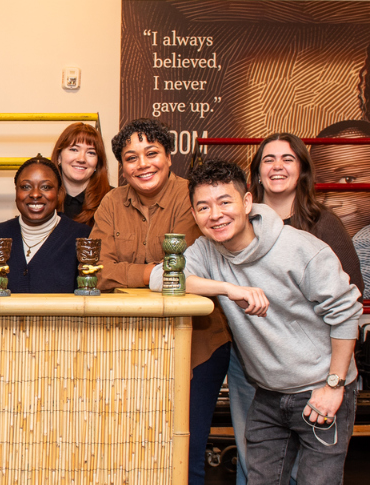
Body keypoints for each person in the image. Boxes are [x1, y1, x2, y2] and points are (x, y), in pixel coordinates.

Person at [151, 159, 361, 485]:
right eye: (203, 207)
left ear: (247, 203)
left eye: (225, 202)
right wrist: (226, 289)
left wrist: (333, 386)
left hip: (320, 389)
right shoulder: (207, 251)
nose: (215, 214)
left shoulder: (301, 249)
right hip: (267, 394)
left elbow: (347, 313)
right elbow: (160, 278)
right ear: (194, 215)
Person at [88, 118, 230, 485]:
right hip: (132, 345)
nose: (143, 164)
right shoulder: (111, 202)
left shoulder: (195, 197)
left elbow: (191, 272)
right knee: (135, 447)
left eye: (151, 153)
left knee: (188, 450)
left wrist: (136, 271)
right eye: (131, 157)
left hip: (199, 343)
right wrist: (154, 272)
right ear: (122, 166)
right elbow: (98, 271)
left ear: (169, 157)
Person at [223, 132, 366, 485]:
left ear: (301, 170)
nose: (277, 166)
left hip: (315, 372)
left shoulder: (324, 225)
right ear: (255, 173)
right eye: (268, 159)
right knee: (255, 463)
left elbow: (352, 298)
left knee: (313, 472)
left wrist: (335, 377)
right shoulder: (235, 226)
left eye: (287, 159)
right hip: (254, 367)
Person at [0, 156, 90, 293]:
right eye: (26, 187)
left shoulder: (82, 238)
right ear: (16, 192)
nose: (35, 194)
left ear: (59, 193)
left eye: (46, 187)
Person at [49, 122, 110, 226]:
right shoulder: (43, 198)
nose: (81, 159)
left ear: (97, 163)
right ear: (59, 157)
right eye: (74, 149)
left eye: (91, 152)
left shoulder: (111, 200)